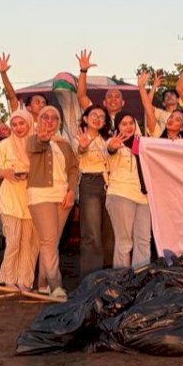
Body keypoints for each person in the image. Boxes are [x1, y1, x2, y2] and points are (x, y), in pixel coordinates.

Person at [26, 105, 79, 297]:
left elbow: (73, 168)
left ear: (59, 122)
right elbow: (37, 146)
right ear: (39, 120)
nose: (49, 121)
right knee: (49, 241)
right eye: (45, 117)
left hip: (62, 196)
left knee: (50, 243)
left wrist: (71, 191)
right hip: (41, 196)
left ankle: (42, 284)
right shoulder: (33, 139)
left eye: (54, 118)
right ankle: (56, 285)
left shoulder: (64, 144)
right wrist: (43, 138)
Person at [0, 109, 37, 292]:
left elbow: (43, 168)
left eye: (22, 123)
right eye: (14, 124)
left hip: (32, 197)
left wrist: (30, 173)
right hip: (10, 198)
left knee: (29, 242)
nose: (18, 128)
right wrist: (4, 172)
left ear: (29, 123)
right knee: (13, 240)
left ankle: (25, 280)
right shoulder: (4, 145)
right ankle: (8, 278)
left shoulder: (37, 143)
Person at [105, 113, 151, 267]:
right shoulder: (114, 142)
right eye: (123, 124)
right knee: (124, 242)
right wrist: (112, 146)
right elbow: (110, 149)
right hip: (121, 194)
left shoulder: (143, 144)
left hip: (144, 198)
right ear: (117, 126)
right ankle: (121, 278)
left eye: (131, 123)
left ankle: (140, 277)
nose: (129, 127)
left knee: (144, 240)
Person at [75, 104, 111, 277]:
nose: (97, 118)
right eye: (94, 115)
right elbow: (79, 151)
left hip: (109, 184)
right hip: (89, 182)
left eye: (101, 116)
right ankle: (91, 278)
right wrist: (83, 146)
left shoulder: (107, 139)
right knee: (92, 233)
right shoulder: (79, 136)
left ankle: (109, 275)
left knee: (109, 232)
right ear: (85, 118)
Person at [142, 72, 183, 138]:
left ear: (178, 100)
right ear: (163, 103)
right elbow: (147, 105)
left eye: (172, 94)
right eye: (166, 96)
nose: (169, 96)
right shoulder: (160, 113)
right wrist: (154, 86)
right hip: (161, 141)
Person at [0, 52, 46, 117]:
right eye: (37, 102)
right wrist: (3, 73)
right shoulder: (22, 118)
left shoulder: (50, 122)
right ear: (29, 108)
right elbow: (12, 97)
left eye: (44, 103)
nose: (42, 105)